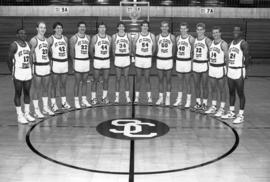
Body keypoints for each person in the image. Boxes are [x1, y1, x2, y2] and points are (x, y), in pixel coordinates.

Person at [221, 26, 251, 124]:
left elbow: (248, 58)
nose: (235, 32)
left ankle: (241, 115)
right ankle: (232, 112)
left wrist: (245, 70)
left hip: (239, 70)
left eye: (237, 30)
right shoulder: (230, 44)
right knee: (231, 92)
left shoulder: (243, 43)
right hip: (230, 70)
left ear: (241, 32)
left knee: (240, 93)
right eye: (234, 30)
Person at [7, 28, 35, 124]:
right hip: (18, 71)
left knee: (27, 92)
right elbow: (9, 60)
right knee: (18, 93)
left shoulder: (28, 44)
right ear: (17, 35)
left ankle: (27, 113)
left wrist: (32, 69)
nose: (23, 35)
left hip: (27, 71)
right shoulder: (14, 45)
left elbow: (31, 58)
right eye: (21, 33)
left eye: (24, 33)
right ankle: (19, 115)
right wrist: (12, 71)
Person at [30, 21, 54, 118]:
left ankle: (45, 107)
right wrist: (30, 68)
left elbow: (48, 53)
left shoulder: (47, 40)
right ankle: (36, 110)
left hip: (46, 66)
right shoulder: (34, 40)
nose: (43, 29)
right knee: (36, 89)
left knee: (45, 88)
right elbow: (30, 55)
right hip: (37, 66)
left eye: (44, 27)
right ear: (37, 28)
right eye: (41, 27)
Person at [205, 26, 228, 117]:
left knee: (222, 89)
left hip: (220, 68)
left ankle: (222, 108)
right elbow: (209, 55)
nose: (215, 34)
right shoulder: (210, 43)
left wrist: (227, 69)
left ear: (220, 33)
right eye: (214, 33)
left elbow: (227, 58)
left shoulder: (223, 44)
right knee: (213, 88)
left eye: (217, 32)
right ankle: (214, 106)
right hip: (212, 68)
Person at [48, 22, 71, 112]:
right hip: (55, 63)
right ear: (54, 29)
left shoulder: (65, 38)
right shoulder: (50, 39)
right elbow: (46, 52)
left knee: (63, 85)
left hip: (64, 63)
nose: (59, 29)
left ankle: (64, 102)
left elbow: (67, 51)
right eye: (57, 28)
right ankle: (53, 104)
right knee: (54, 85)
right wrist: (49, 62)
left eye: (60, 28)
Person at [70, 21, 91, 109]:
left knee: (85, 82)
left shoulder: (88, 37)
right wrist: (73, 62)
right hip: (78, 61)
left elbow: (89, 50)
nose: (82, 28)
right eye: (81, 27)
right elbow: (71, 51)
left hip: (86, 61)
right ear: (78, 28)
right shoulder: (74, 38)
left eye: (84, 27)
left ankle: (84, 99)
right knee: (77, 82)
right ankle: (76, 101)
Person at [133, 20, 156, 104]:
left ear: (148, 27)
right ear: (141, 27)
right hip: (139, 58)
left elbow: (154, 48)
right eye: (143, 26)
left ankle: (149, 98)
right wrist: (136, 55)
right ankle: (136, 98)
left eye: (146, 26)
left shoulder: (152, 36)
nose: (145, 27)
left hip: (147, 59)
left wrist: (150, 55)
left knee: (147, 78)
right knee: (138, 79)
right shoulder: (137, 35)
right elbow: (133, 47)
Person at [173, 22, 195, 108]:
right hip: (179, 61)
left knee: (187, 82)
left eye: (184, 28)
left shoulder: (191, 39)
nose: (182, 30)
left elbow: (193, 52)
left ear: (187, 29)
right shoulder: (177, 38)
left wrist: (192, 63)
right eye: (181, 28)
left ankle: (188, 101)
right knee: (180, 82)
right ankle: (179, 100)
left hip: (187, 62)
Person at [90, 22, 112, 105]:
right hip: (97, 60)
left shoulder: (109, 38)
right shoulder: (95, 37)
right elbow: (91, 50)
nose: (102, 29)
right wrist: (95, 57)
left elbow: (110, 50)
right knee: (95, 80)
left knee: (106, 80)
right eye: (100, 27)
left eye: (103, 27)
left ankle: (104, 97)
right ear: (98, 29)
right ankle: (93, 98)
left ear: (105, 29)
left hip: (106, 60)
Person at [191, 23, 212, 112]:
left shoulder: (207, 40)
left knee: (204, 85)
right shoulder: (194, 41)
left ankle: (205, 104)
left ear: (204, 30)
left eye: (201, 29)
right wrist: (192, 63)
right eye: (198, 29)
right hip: (196, 64)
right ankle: (198, 103)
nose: (199, 31)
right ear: (196, 30)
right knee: (196, 85)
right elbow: (192, 53)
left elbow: (212, 52)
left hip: (204, 64)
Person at [155, 21, 176, 106]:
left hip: (168, 60)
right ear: (161, 28)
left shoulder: (172, 37)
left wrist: (170, 56)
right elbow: (156, 48)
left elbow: (174, 49)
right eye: (163, 26)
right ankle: (160, 97)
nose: (164, 28)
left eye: (166, 26)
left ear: (168, 28)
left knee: (168, 80)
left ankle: (167, 98)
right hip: (160, 60)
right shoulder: (157, 37)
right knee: (160, 80)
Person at [112, 22, 132, 104]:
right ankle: (117, 98)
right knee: (118, 78)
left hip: (126, 58)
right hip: (118, 58)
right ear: (117, 28)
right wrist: (115, 57)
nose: (121, 27)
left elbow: (130, 48)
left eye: (122, 26)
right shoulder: (114, 36)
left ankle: (127, 97)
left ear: (124, 28)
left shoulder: (128, 36)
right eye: (119, 26)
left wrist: (128, 55)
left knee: (126, 78)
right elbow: (113, 49)